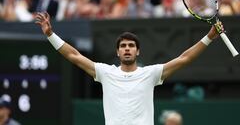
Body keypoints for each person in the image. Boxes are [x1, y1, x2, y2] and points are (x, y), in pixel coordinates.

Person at [35, 12, 223, 125]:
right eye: (123, 46)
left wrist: (209, 36)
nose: (127, 49)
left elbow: (185, 58)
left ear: (137, 51)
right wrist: (51, 34)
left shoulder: (150, 73)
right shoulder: (105, 72)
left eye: (131, 46)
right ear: (117, 52)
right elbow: (73, 55)